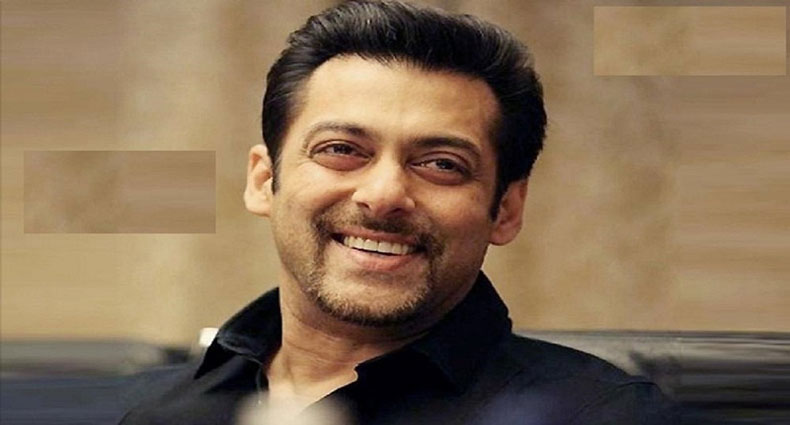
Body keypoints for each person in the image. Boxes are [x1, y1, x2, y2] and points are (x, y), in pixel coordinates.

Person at [120, 1, 676, 424]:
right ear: (265, 181)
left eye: (441, 164)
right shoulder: (156, 411)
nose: (384, 194)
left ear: (506, 210)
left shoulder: (600, 414)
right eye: (342, 150)